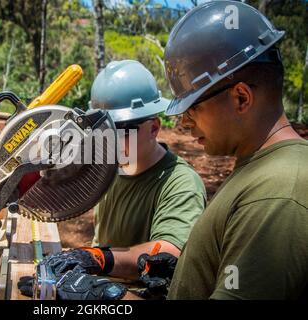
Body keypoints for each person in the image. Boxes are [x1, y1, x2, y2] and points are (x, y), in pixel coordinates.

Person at [18, 60, 206, 300]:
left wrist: (96, 258)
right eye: (103, 130)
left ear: (154, 128)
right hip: (100, 290)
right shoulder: (110, 168)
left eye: (122, 129)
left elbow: (169, 253)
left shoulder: (179, 182)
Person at [162, 1, 308, 299]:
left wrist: (113, 300)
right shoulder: (261, 169)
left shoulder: (278, 194)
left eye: (194, 108)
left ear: (241, 98)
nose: (184, 123)